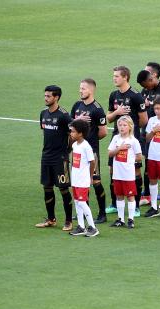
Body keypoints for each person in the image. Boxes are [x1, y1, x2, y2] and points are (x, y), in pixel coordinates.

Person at [106, 67, 147, 215]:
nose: (114, 78)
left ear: (125, 77)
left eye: (117, 76)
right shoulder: (113, 95)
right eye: (114, 76)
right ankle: (114, 204)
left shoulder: (136, 96)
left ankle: (135, 205)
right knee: (112, 170)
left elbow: (143, 120)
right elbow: (108, 118)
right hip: (116, 138)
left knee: (135, 170)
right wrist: (117, 113)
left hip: (131, 139)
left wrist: (132, 132)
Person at [36, 85, 74, 231]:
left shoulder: (63, 115)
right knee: (47, 188)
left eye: (48, 96)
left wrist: (67, 150)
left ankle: (69, 221)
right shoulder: (43, 114)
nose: (45, 98)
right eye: (45, 96)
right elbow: (44, 132)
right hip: (46, 157)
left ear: (56, 97)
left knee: (64, 189)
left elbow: (73, 134)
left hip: (60, 159)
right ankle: (51, 219)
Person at [70, 78, 108, 223]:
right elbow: (71, 127)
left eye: (83, 88)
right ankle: (81, 209)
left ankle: (102, 213)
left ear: (91, 90)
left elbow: (103, 132)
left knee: (96, 181)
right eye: (80, 88)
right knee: (80, 180)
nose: (80, 91)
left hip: (91, 151)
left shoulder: (97, 109)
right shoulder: (77, 106)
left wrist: (89, 141)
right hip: (77, 150)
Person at [107, 116, 142, 228]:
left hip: (128, 174)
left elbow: (139, 157)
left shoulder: (133, 141)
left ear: (130, 126)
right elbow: (110, 153)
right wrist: (120, 148)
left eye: (124, 125)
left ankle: (131, 219)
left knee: (130, 196)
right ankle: (120, 219)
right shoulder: (116, 138)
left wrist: (129, 161)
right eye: (120, 125)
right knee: (119, 196)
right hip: (117, 174)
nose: (122, 127)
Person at [67, 119, 98, 237]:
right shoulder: (75, 145)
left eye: (73, 132)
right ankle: (81, 226)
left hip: (83, 180)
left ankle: (93, 227)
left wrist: (90, 177)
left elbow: (92, 162)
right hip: (75, 179)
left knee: (82, 202)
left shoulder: (86, 146)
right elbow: (74, 163)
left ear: (80, 133)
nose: (71, 133)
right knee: (77, 202)